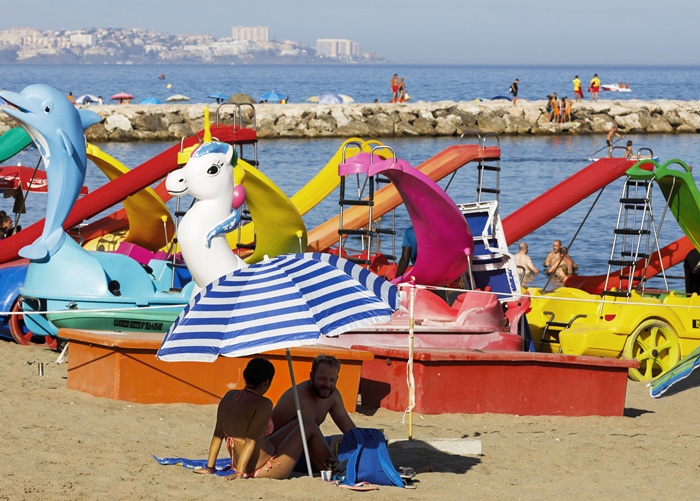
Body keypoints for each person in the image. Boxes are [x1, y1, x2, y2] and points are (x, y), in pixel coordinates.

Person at [196, 358, 333, 479]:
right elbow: (250, 440)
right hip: (265, 467)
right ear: (267, 382)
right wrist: (239, 473)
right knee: (309, 425)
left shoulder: (229, 396)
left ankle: (329, 465)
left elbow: (217, 435)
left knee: (301, 423)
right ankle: (333, 468)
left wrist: (209, 467)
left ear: (245, 376)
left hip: (244, 461)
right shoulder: (263, 403)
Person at [271, 354, 356, 436]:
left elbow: (350, 430)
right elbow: (267, 432)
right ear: (312, 376)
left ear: (337, 379)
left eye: (332, 380)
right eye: (323, 378)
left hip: (309, 443)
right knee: (308, 426)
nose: (327, 384)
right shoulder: (295, 398)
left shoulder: (333, 396)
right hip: (284, 446)